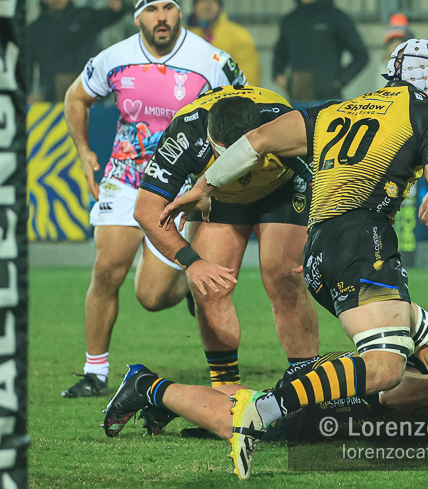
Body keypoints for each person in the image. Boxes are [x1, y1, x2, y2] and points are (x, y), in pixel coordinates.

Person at [163, 38, 428, 478]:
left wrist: (203, 187)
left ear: (390, 72)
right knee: (385, 368)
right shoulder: (424, 112)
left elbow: (256, 140)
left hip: (319, 248)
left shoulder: (336, 109)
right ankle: (262, 410)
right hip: (362, 240)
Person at [59, 0, 246, 399]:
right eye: (151, 9)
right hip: (125, 178)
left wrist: (218, 178)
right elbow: (75, 98)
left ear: (179, 12)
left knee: (150, 296)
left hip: (177, 188)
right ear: (137, 17)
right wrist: (84, 151)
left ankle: (187, 289)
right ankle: (94, 372)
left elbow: (244, 111)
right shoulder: (114, 58)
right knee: (107, 268)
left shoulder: (212, 60)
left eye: (167, 8)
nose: (160, 17)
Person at [101, 275, 428, 443]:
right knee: (240, 421)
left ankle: (171, 404)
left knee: (249, 403)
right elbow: (390, 392)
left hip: (333, 396)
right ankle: (147, 386)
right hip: (328, 401)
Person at [133, 84, 319, 409]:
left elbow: (332, 180)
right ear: (210, 141)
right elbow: (145, 210)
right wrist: (191, 262)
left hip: (281, 191)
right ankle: (225, 393)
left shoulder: (285, 125)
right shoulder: (184, 136)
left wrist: (321, 236)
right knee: (209, 287)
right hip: (218, 199)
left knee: (284, 276)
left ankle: (307, 387)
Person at [272, 0, 369, 102]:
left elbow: (361, 55)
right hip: (298, 93)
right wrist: (278, 73)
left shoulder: (337, 18)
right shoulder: (290, 20)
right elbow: (280, 52)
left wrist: (339, 81)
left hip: (329, 96)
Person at [27, 0, 124, 102]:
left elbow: (109, 16)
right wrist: (26, 93)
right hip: (52, 96)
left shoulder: (85, 17)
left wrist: (116, 9)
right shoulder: (35, 29)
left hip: (90, 91)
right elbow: (28, 63)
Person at [186, 0, 262, 87]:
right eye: (202, 1)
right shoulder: (184, 36)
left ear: (220, 7)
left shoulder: (238, 35)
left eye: (212, 1)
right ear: (194, 7)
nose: (207, 6)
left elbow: (249, 73)